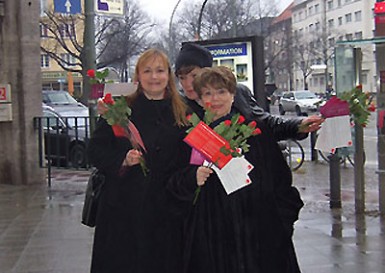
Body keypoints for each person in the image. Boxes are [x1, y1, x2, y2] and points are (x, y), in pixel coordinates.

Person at [168, 66, 304, 273]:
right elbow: (174, 183)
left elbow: (281, 180)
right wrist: (192, 177)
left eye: (221, 91)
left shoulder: (255, 132)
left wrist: (282, 222)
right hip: (213, 237)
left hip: (259, 235)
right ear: (200, 99)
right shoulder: (192, 136)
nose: (215, 99)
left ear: (233, 94)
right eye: (208, 93)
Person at [87, 48, 189, 273]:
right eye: (148, 71)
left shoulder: (184, 111)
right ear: (138, 76)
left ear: (168, 75)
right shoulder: (121, 109)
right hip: (125, 211)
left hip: (168, 210)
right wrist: (122, 160)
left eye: (160, 71)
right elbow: (94, 149)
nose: (154, 77)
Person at [175, 42, 323, 141]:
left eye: (194, 76)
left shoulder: (238, 92)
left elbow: (265, 124)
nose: (188, 84)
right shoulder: (178, 106)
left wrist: (298, 125)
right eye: (182, 78)